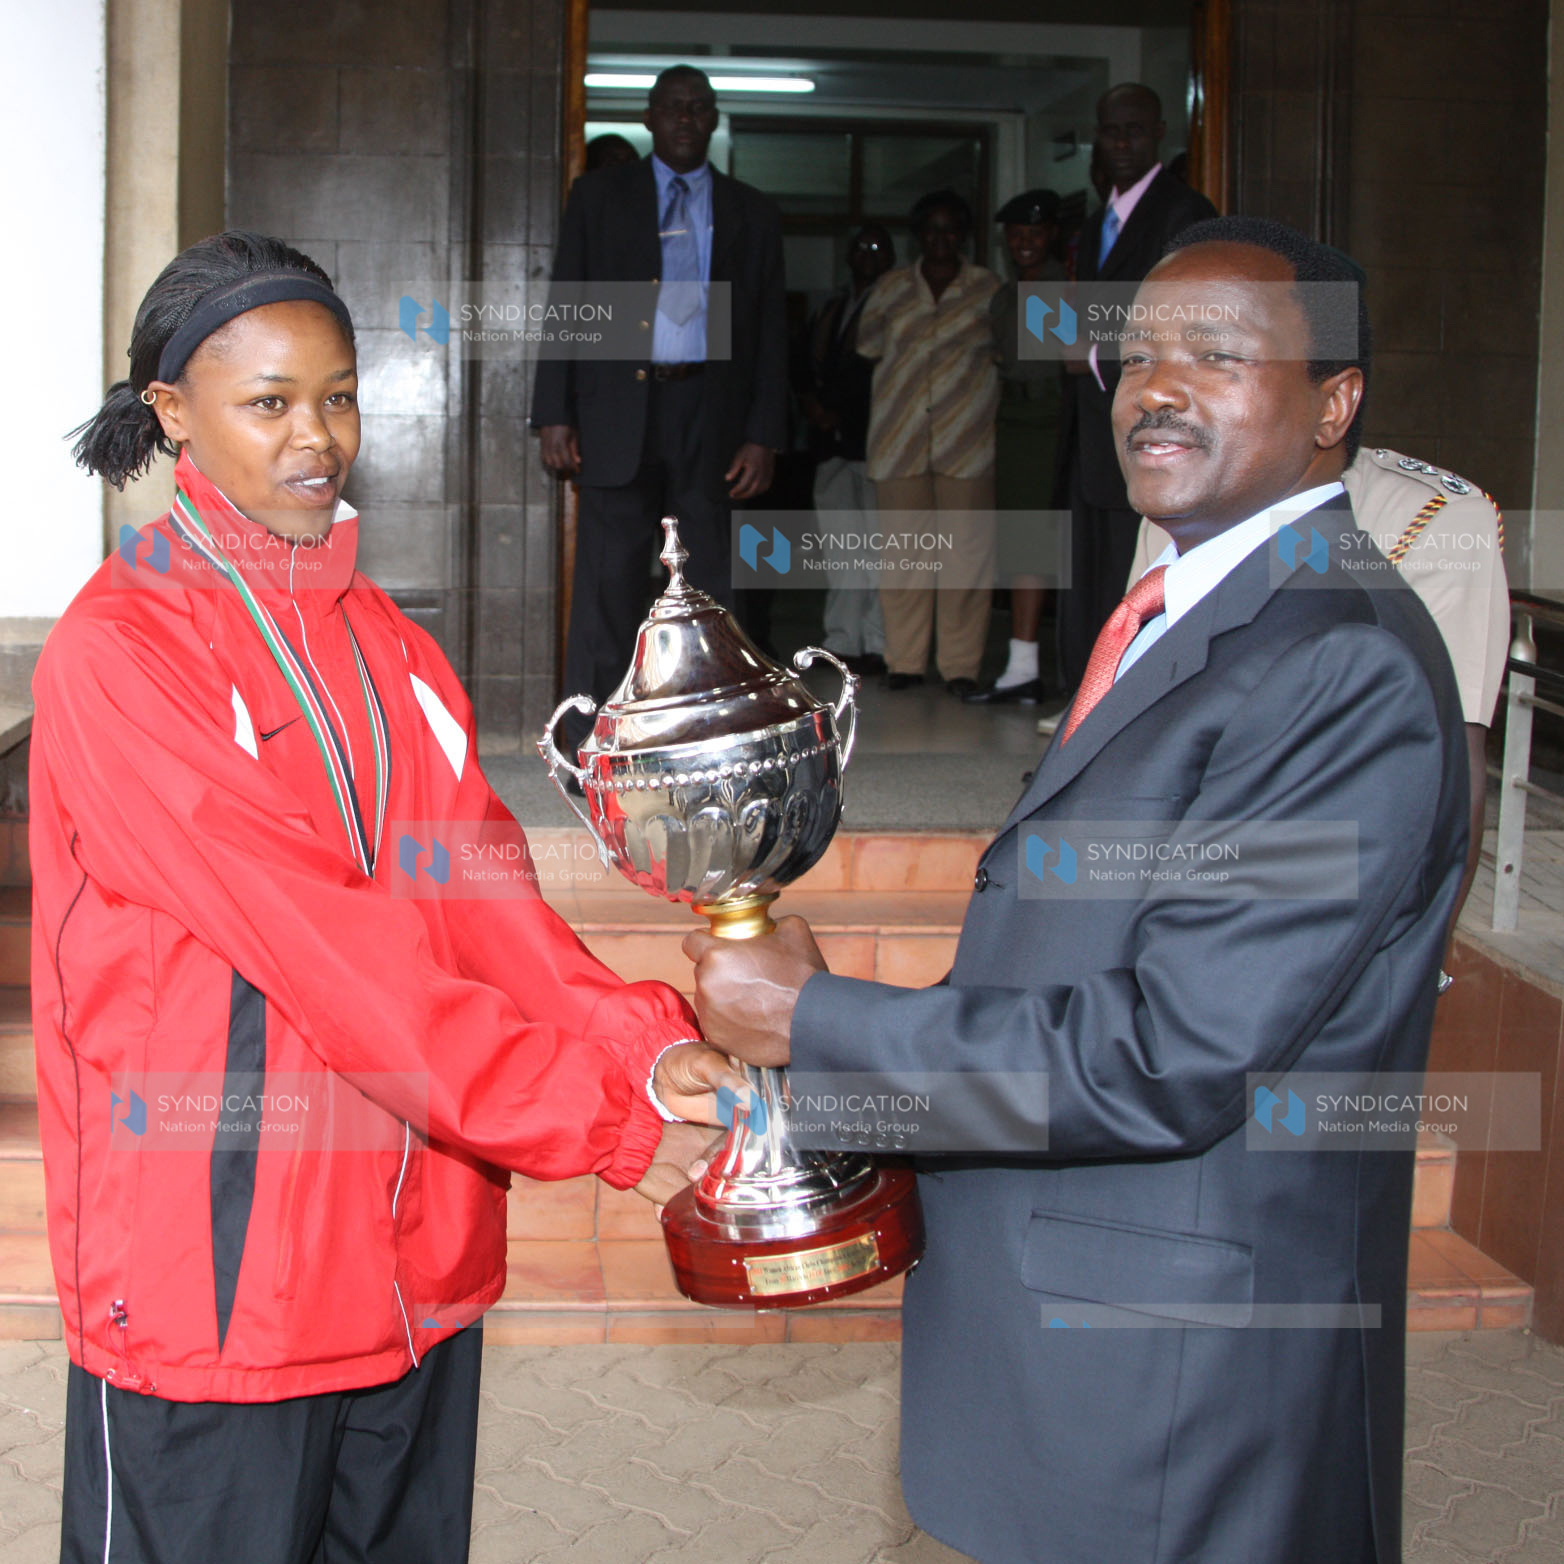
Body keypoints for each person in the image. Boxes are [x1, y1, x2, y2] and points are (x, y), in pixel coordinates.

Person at [680, 217, 1468, 1564]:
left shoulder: (1341, 668)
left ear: (1336, 403)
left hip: (1178, 1385)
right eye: (1139, 352)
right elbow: (1072, 975)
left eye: (1218, 357)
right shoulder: (1204, 612)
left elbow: (1171, 1049)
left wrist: (824, 1022)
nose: (1158, 388)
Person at [41, 231, 739, 1563]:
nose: (319, 439)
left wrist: (644, 1048)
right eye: (271, 404)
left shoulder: (391, 645)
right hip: (223, 1289)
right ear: (173, 416)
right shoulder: (123, 654)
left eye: (341, 395)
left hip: (413, 1272)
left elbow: (489, 910)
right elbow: (332, 953)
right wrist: (583, 1110)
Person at [1127, 443, 1509, 948]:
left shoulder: (1431, 516)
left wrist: (1423, 968)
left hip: (1319, 891)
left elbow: (1455, 759)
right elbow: (1132, 712)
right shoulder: (1181, 489)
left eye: (1225, 361)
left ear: (1336, 400)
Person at [531, 65, 787, 748]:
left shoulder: (750, 211)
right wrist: (554, 410)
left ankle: (705, 738)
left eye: (699, 108)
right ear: (650, 118)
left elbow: (767, 328)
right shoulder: (600, 196)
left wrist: (763, 433)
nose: (685, 119)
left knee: (707, 590)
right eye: (673, 107)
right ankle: (589, 740)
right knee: (608, 589)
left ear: (713, 120)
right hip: (618, 414)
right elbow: (569, 304)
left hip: (712, 414)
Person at [1054, 84, 1215, 700]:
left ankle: (1120, 715)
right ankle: (1080, 712)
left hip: (1148, 430)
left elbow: (1187, 318)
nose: (1121, 142)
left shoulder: (1185, 213)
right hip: (1089, 432)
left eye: (1134, 131)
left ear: (1160, 134)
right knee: (1087, 583)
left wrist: (1091, 351)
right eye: (1111, 131)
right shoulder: (1098, 221)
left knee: (1132, 577)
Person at [856, 190, 1001, 697]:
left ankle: (961, 666)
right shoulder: (891, 288)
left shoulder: (988, 289)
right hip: (899, 440)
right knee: (903, 557)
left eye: (951, 230)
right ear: (918, 236)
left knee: (967, 558)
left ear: (964, 235)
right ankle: (905, 661)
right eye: (932, 230)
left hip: (968, 439)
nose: (942, 240)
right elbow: (868, 345)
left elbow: (1007, 350)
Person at [965, 189, 1067, 705]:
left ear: (1051, 236)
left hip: (1051, 417)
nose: (1025, 243)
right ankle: (1021, 666)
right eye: (1016, 234)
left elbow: (1074, 363)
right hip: (1012, 417)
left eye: (1035, 233)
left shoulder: (1063, 288)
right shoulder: (1006, 295)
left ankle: (1026, 666)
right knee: (1018, 538)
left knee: (1034, 540)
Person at [795, 223, 895, 673]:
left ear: (890, 257)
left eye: (877, 248)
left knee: (877, 548)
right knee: (840, 550)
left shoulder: (895, 304)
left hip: (874, 441)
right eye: (860, 248)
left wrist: (838, 409)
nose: (868, 255)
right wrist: (813, 406)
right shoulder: (832, 306)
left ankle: (877, 643)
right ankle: (842, 642)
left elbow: (877, 372)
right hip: (828, 445)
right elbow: (804, 364)